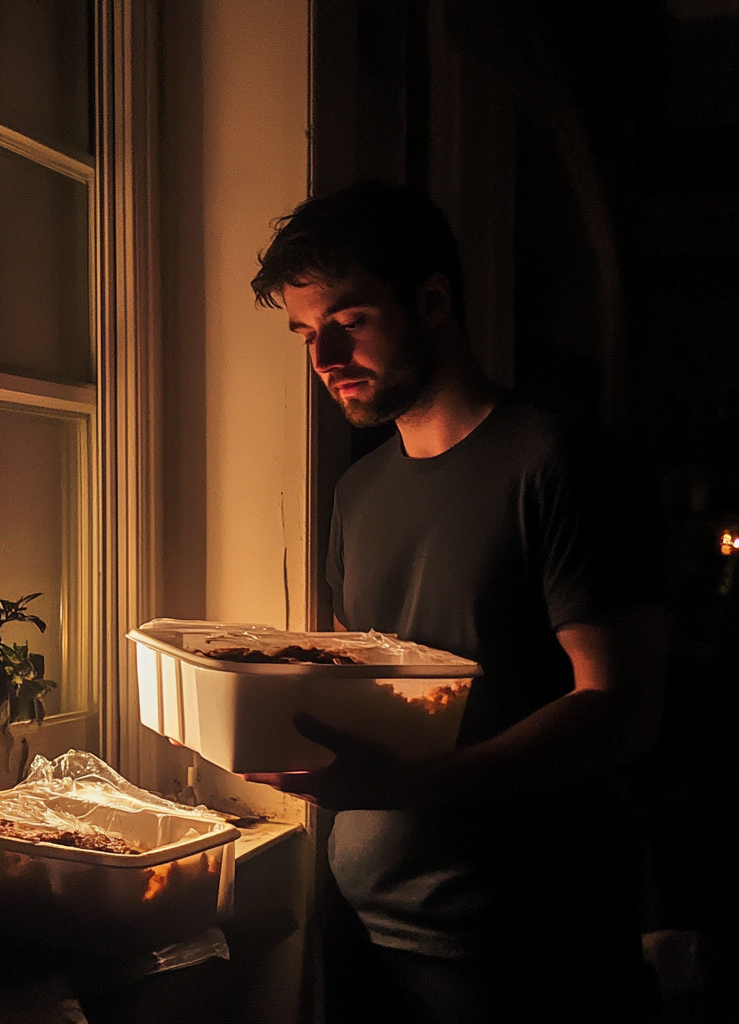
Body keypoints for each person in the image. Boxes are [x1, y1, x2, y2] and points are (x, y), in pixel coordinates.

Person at [246, 180, 666, 1023]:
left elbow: (620, 708)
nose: (323, 357)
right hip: (361, 933)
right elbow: (356, 687)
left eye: (350, 320)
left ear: (433, 300)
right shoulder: (358, 493)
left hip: (520, 949)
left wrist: (417, 787)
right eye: (304, 332)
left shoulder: (558, 464)